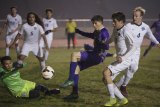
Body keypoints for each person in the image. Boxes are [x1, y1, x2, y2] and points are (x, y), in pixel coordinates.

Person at [114, 7, 160, 98]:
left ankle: (122, 85)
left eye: (136, 16)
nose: (134, 17)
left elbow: (150, 36)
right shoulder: (128, 26)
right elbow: (120, 36)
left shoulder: (145, 27)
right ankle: (112, 82)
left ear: (141, 16)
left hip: (136, 51)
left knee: (134, 68)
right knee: (120, 67)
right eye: (133, 16)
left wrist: (157, 43)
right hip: (127, 50)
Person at [60, 15, 110, 99]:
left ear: (101, 22)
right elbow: (90, 35)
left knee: (74, 55)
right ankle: (74, 93)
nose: (94, 25)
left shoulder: (104, 32)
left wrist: (100, 41)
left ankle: (70, 79)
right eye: (93, 23)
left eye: (95, 23)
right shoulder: (97, 30)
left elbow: (106, 47)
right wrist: (79, 31)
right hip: (94, 55)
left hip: (97, 56)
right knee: (76, 68)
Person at [103, 12, 137, 106]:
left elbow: (134, 46)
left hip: (126, 59)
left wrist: (124, 57)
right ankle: (122, 99)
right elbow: (112, 39)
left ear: (121, 22)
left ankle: (113, 99)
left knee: (106, 73)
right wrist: (104, 42)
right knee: (106, 79)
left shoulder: (126, 31)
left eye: (114, 21)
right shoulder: (115, 29)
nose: (113, 23)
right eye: (112, 21)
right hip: (120, 59)